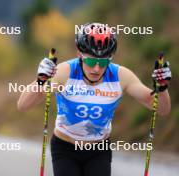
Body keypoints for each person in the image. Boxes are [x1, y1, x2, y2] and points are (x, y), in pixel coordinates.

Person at [17, 23, 171, 176]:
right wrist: (40, 81)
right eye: (91, 61)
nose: (97, 68)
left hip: (98, 151)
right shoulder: (64, 73)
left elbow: (162, 109)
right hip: (65, 148)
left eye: (103, 62)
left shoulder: (121, 76)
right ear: (79, 54)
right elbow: (23, 105)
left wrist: (162, 88)